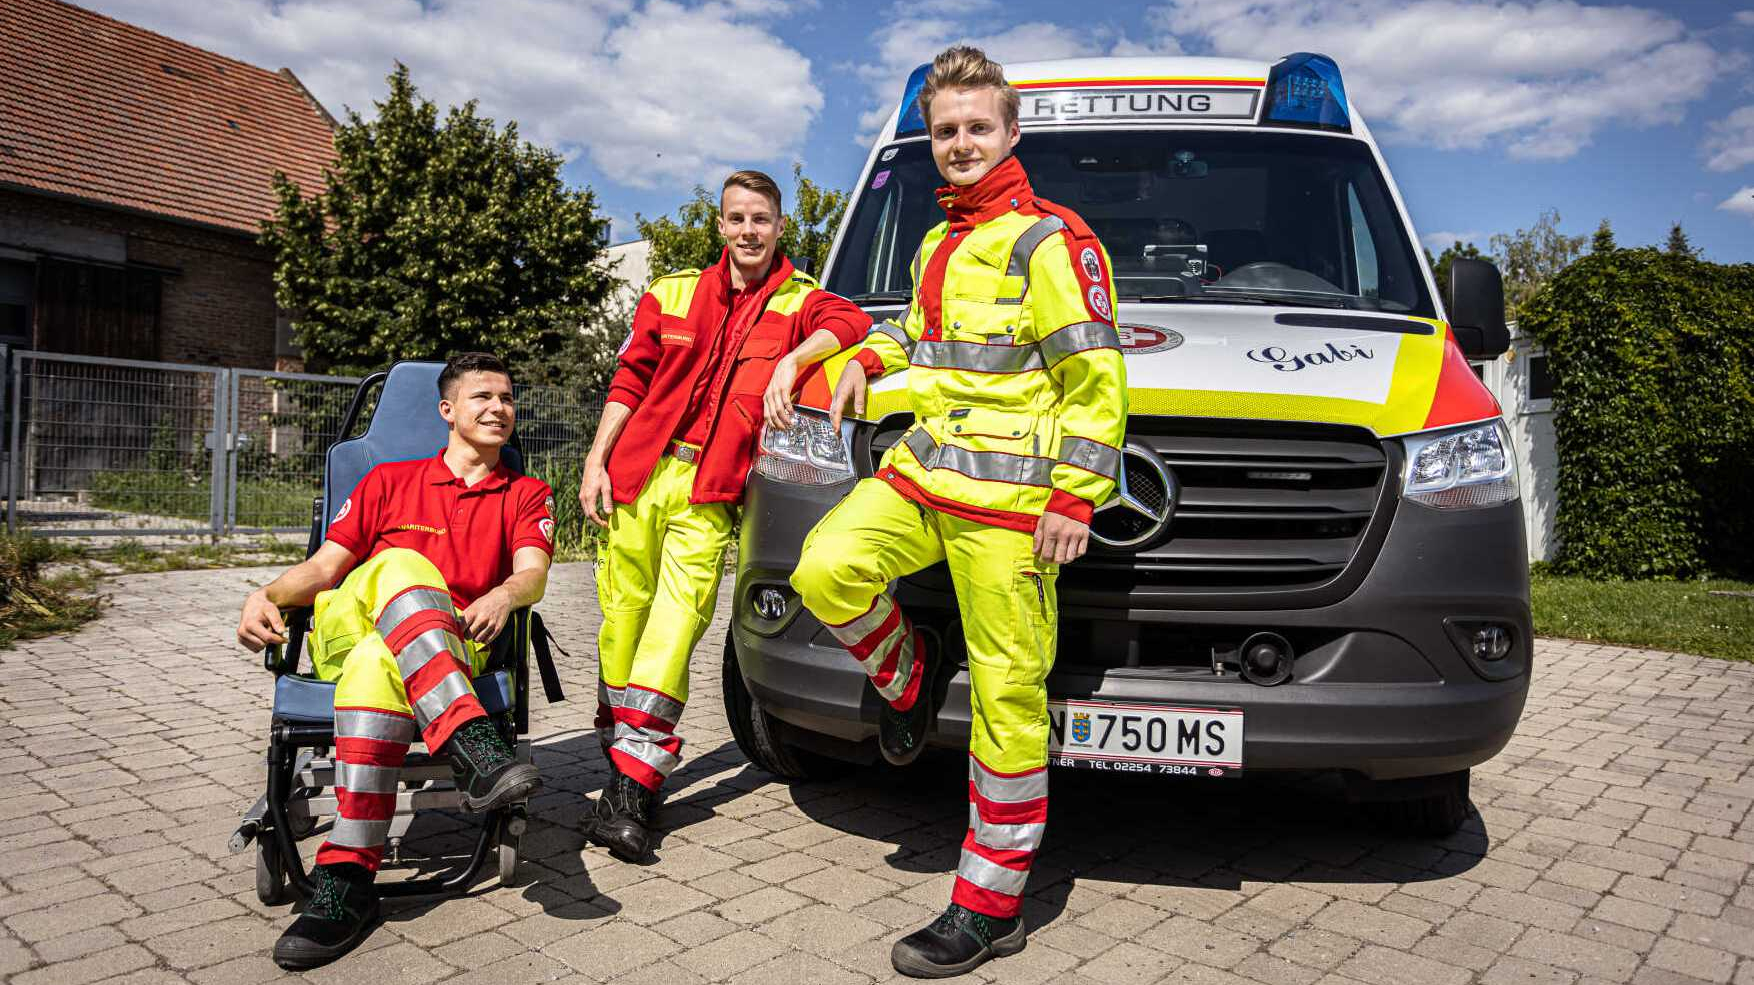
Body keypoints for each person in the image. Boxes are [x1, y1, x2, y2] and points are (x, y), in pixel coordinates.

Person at [790, 46, 1128, 978]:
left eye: (979, 127)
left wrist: (1074, 495)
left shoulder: (1050, 240)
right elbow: (922, 334)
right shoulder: (938, 239)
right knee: (823, 568)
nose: (962, 144)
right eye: (946, 131)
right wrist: (866, 360)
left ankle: (991, 903)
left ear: (1011, 133)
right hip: (924, 476)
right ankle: (907, 676)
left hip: (1015, 509)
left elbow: (1095, 380)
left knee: (1009, 699)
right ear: (931, 141)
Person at [577, 169, 871, 861]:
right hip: (638, 475)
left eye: (760, 219)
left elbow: (851, 321)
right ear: (720, 226)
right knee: (623, 625)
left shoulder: (800, 300)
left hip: (710, 493)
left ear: (778, 227)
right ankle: (624, 740)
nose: (748, 231)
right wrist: (596, 460)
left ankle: (632, 789)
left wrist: (796, 358)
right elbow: (629, 380)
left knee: (675, 629)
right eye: (736, 218)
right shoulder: (671, 291)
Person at [236, 352, 554, 970]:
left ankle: (346, 881)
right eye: (482, 397)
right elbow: (327, 570)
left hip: (443, 641)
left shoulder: (527, 493)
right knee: (403, 566)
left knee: (381, 662)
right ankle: (470, 744)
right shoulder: (386, 480)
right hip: (349, 627)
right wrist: (265, 593)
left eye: (508, 399)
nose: (498, 409)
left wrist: (503, 593)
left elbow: (533, 575)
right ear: (448, 411)